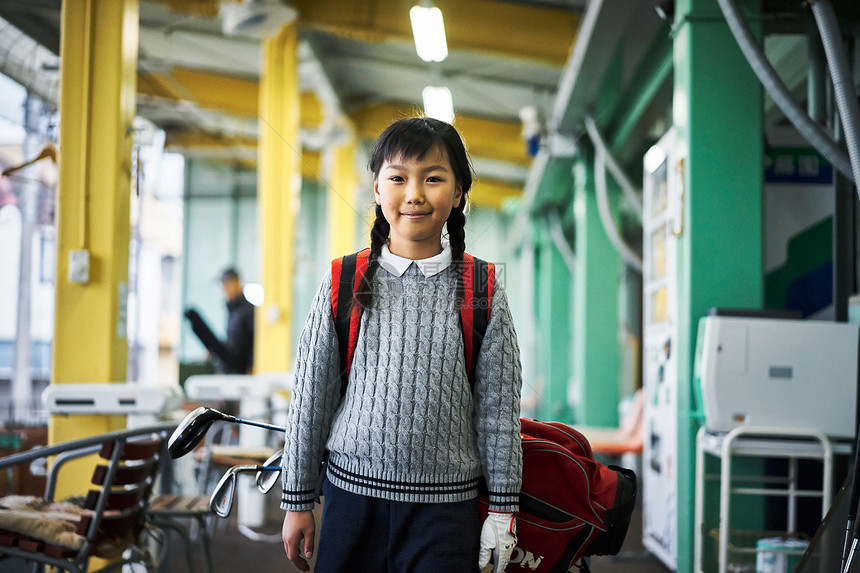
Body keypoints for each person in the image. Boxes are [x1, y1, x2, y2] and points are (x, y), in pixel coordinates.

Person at [280, 117, 523, 573]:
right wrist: (297, 499)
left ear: (457, 195)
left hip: (446, 512)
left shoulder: (481, 286)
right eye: (398, 178)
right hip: (351, 501)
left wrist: (502, 510)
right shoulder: (344, 280)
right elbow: (311, 398)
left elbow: (497, 411)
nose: (414, 193)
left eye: (433, 178)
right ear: (376, 189)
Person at [217, 267, 255, 374]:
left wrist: (252, 366)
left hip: (241, 373)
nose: (225, 289)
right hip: (228, 370)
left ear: (238, 282)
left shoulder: (249, 310)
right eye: (223, 285)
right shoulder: (232, 310)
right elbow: (233, 342)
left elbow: (254, 341)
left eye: (228, 284)